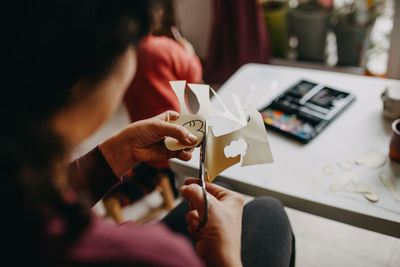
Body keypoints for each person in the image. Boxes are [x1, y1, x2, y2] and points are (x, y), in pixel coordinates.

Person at [3, 1, 294, 266]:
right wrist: (228, 257)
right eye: (132, 47)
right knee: (270, 213)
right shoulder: (158, 257)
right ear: (81, 79)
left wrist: (118, 152)